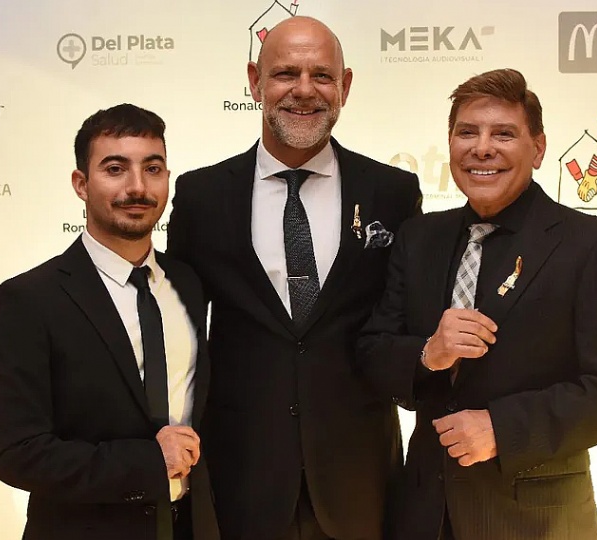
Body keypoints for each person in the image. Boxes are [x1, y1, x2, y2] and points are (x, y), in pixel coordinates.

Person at [357, 69, 597, 540]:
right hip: (422, 516)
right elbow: (373, 352)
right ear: (450, 144)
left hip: (537, 521)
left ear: (538, 148)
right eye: (467, 133)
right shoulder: (418, 238)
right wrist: (427, 354)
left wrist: (503, 428)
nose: (482, 148)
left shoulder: (593, 244)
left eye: (503, 134)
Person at [167, 16, 422, 540]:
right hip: (240, 477)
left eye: (321, 75)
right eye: (285, 73)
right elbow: (178, 333)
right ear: (254, 81)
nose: (304, 90)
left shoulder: (393, 193)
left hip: (360, 481)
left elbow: (405, 325)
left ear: (345, 86)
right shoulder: (201, 196)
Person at [0, 104, 218, 540]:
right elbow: (16, 452)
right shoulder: (30, 299)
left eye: (152, 169)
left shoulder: (188, 282)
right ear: (81, 183)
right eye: (115, 169)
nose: (137, 187)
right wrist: (149, 463)